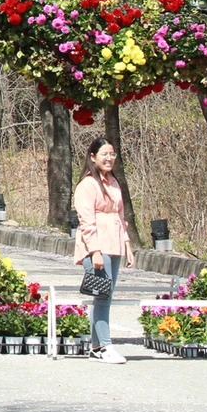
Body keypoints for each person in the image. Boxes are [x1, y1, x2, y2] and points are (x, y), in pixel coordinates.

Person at [73, 136, 134, 364]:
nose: (109, 158)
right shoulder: (87, 185)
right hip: (97, 246)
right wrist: (95, 251)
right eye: (104, 155)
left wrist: (127, 244)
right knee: (102, 297)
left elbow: (120, 216)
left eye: (112, 154)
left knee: (105, 295)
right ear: (93, 157)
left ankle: (97, 348)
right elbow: (86, 222)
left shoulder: (113, 182)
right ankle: (105, 346)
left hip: (114, 244)